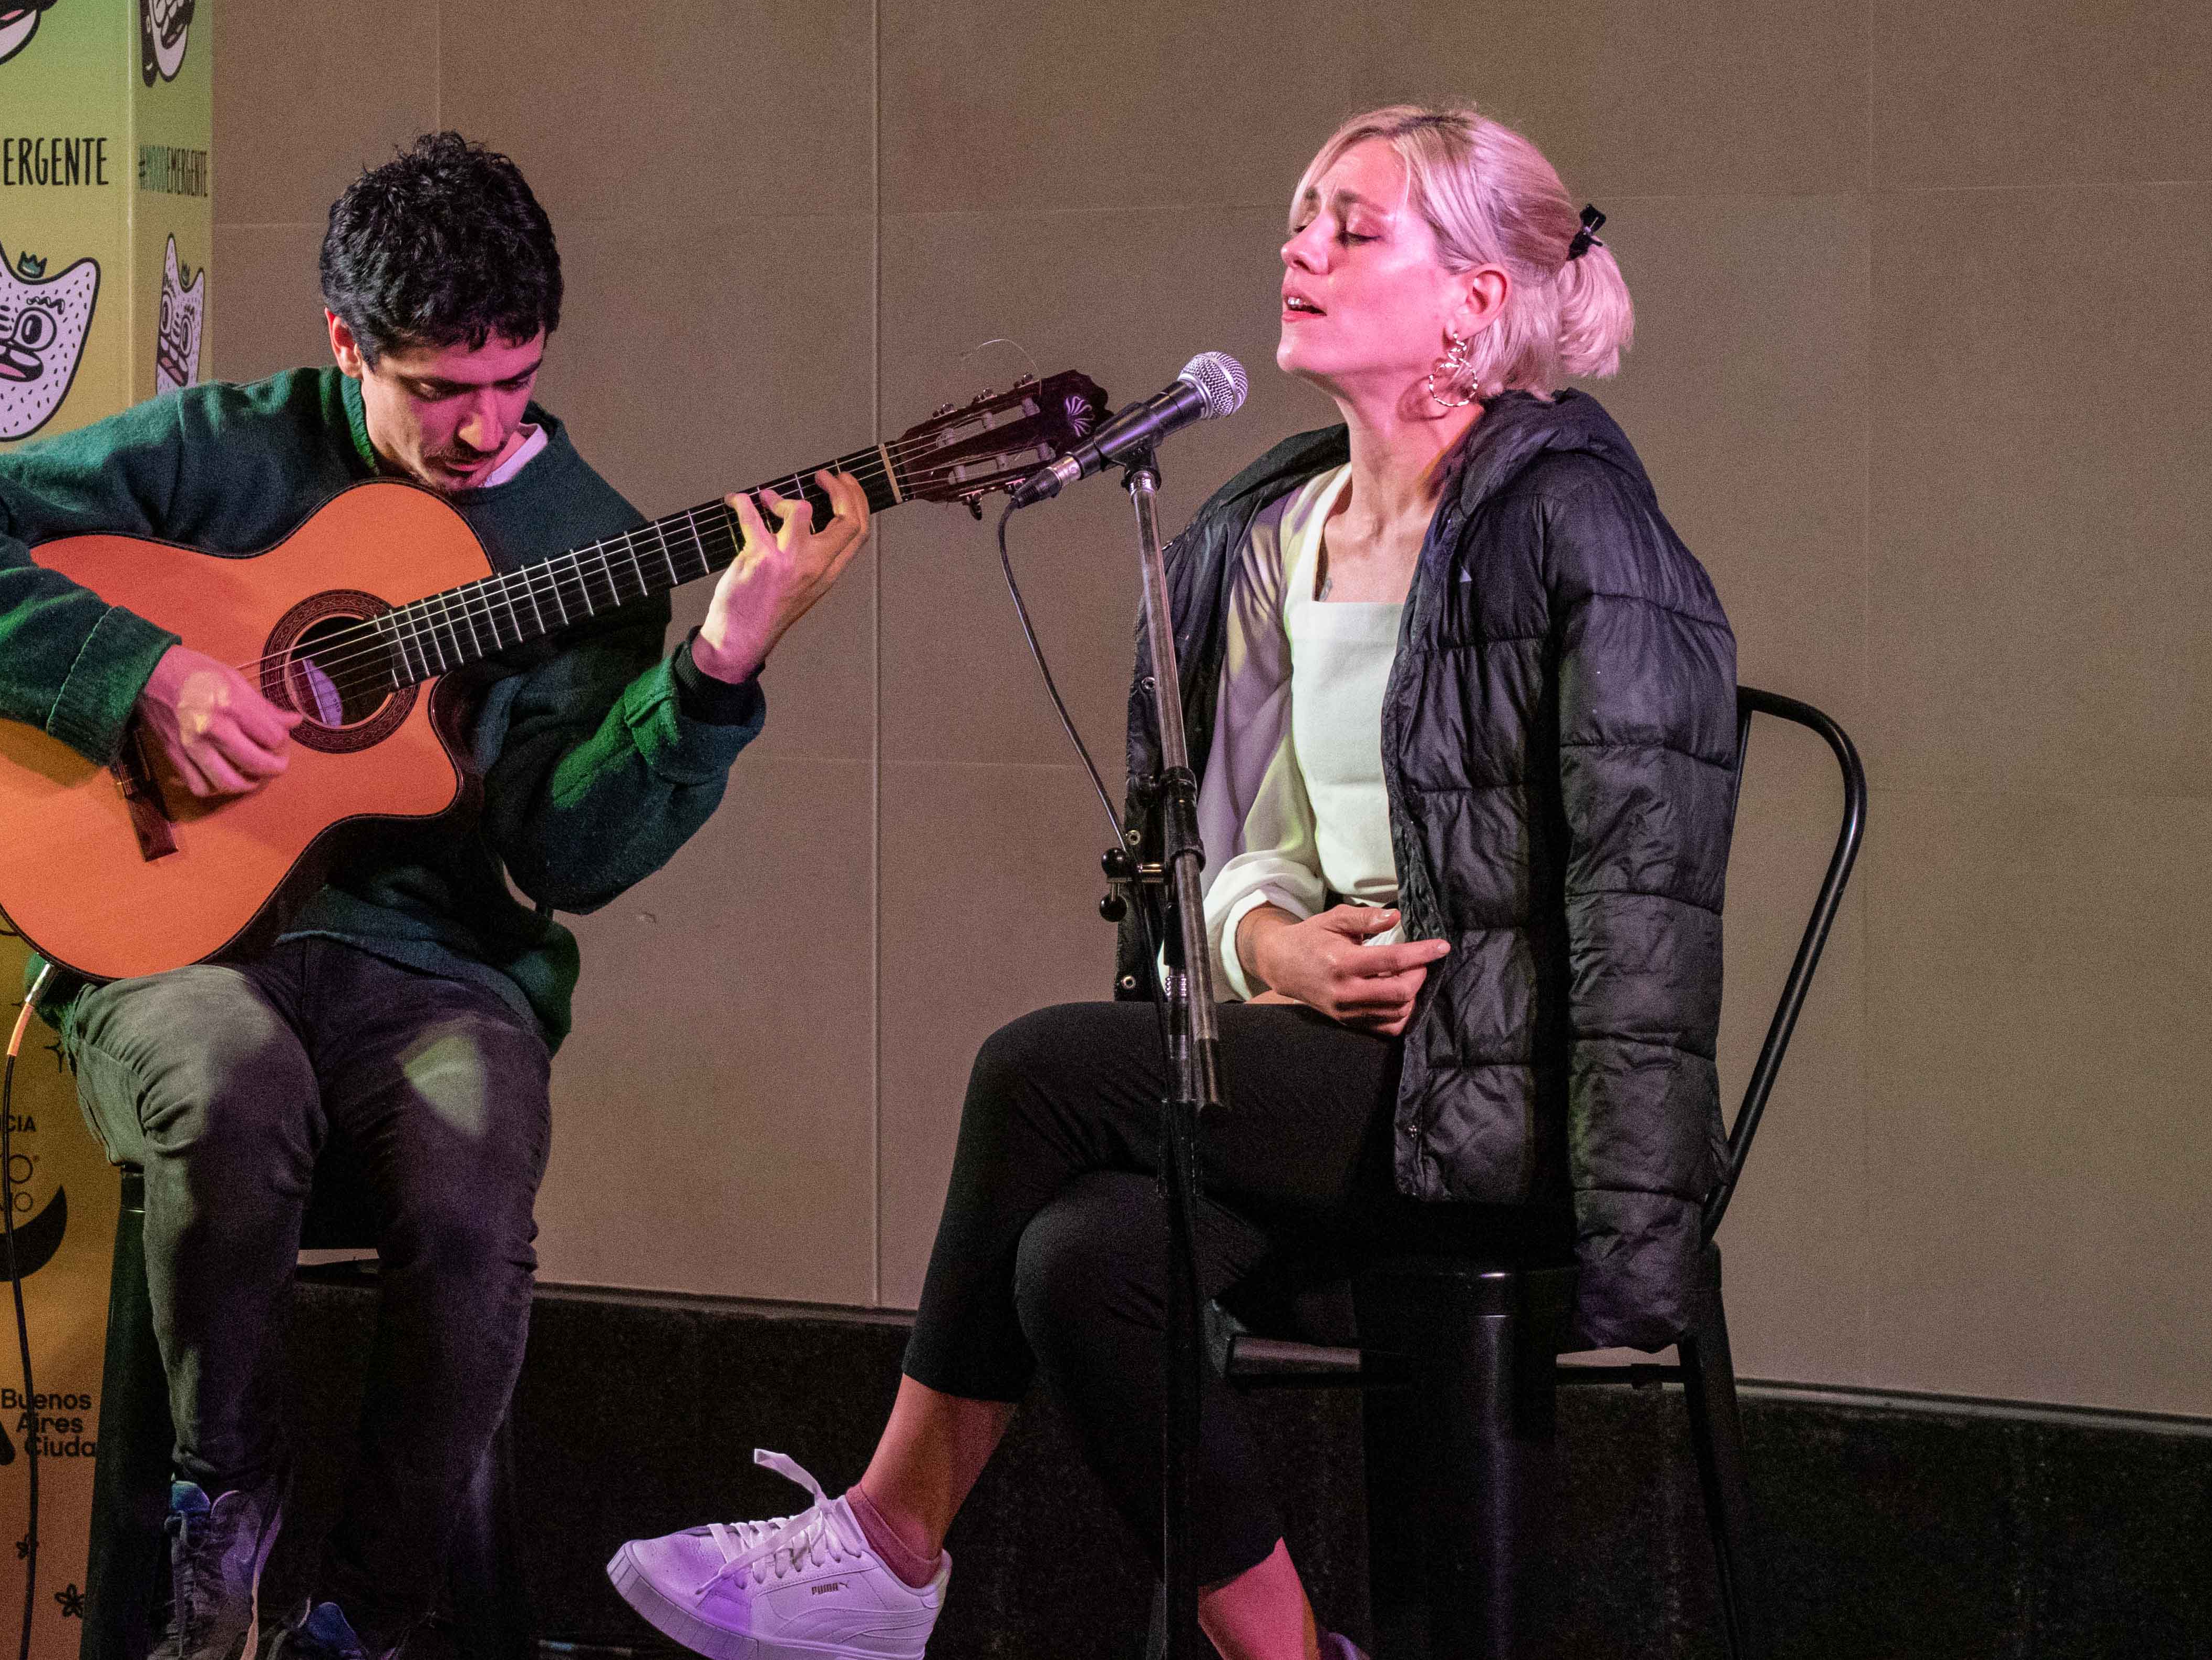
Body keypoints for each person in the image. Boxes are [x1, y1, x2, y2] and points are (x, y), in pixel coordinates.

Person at [606, 104, 1740, 1660]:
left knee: (1038, 1071)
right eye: (1301, 213)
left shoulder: (1575, 522)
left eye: (1353, 226)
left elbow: (1645, 891)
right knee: (1081, 1261)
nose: (1300, 246)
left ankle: (887, 1540)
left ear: (1474, 300)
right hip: (1333, 1072)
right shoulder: (1276, 532)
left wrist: (1626, 1207)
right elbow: (1243, 837)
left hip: (1505, 1093)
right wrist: (1271, 946)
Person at [0, 133, 869, 1660]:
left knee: (469, 1178)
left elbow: (568, 856)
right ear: (344, 343)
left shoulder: (588, 542)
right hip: (173, 951)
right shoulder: (224, 450)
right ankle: (221, 1529)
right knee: (227, 1083)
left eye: (514, 379)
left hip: (434, 966)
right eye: (438, 389)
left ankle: (366, 1616)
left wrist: (714, 670)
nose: (483, 427)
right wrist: (141, 676)